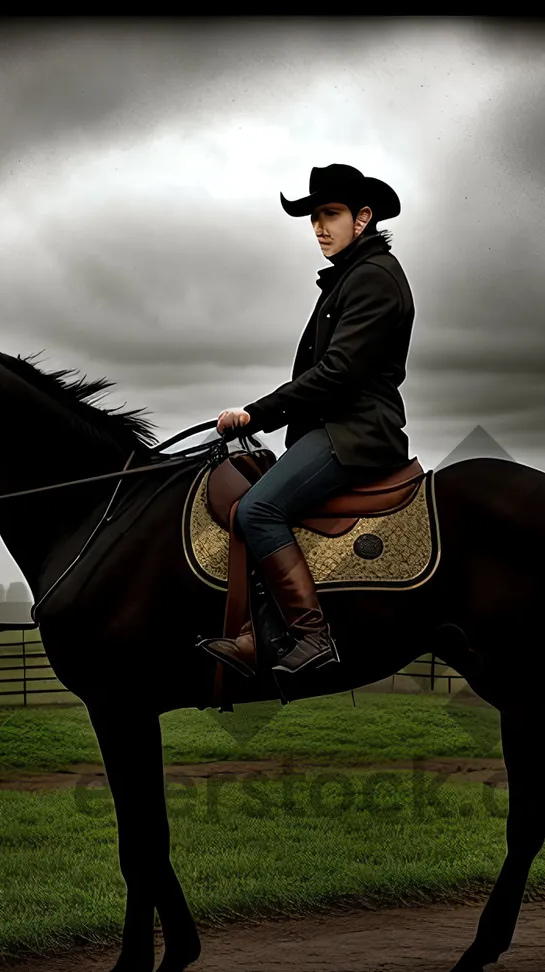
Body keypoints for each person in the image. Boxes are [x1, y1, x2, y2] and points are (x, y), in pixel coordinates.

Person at [198, 163, 415, 678]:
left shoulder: (372, 279)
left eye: (331, 214)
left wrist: (257, 412)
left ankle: (312, 636)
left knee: (259, 509)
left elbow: (337, 373)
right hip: (335, 428)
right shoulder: (351, 277)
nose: (319, 227)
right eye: (315, 216)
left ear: (363, 218)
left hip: (356, 432)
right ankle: (256, 633)